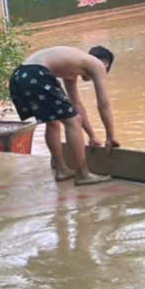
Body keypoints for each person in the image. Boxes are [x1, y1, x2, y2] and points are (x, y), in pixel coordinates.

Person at [8, 45, 118, 185]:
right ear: (105, 64)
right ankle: (83, 174)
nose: (89, 79)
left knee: (54, 121)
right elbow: (104, 105)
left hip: (19, 76)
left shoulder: (72, 67)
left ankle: (61, 169)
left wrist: (92, 136)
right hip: (35, 74)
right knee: (73, 121)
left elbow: (76, 105)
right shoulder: (97, 64)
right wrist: (110, 136)